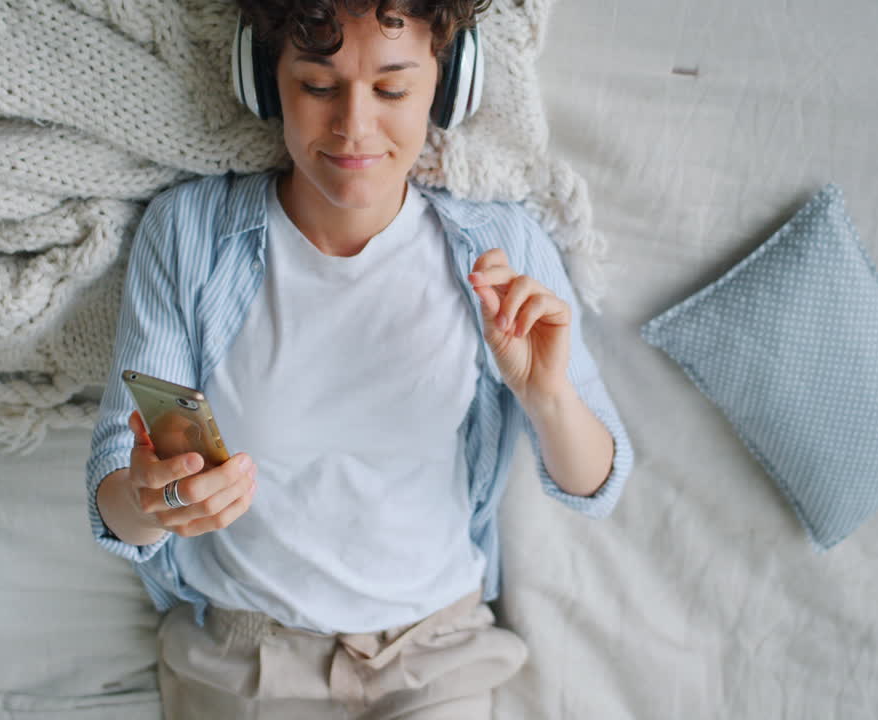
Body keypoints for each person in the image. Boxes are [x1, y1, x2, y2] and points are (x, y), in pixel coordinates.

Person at [85, 1, 634, 717]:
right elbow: (114, 499)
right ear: (263, 80)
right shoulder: (189, 233)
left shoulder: (504, 242)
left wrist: (547, 395)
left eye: (393, 89)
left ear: (447, 83)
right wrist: (156, 500)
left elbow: (596, 481)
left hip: (436, 656)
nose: (354, 127)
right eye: (318, 86)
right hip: (244, 664)